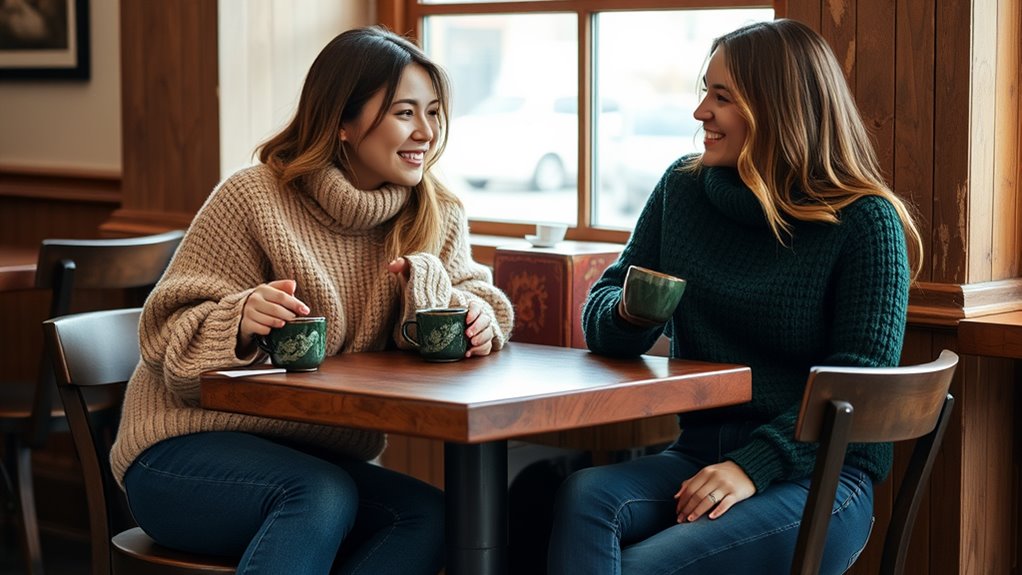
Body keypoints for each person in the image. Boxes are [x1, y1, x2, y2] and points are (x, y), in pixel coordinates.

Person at [110, 26, 514, 575]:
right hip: (182, 452)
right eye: (404, 112)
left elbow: (476, 294)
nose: (426, 131)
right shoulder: (253, 197)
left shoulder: (434, 211)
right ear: (343, 123)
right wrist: (239, 321)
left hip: (319, 459)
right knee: (319, 497)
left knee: (429, 517)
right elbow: (167, 334)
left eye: (435, 112)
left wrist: (478, 320)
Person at [547, 18, 923, 575]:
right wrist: (630, 311)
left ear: (779, 109)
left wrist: (753, 466)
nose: (701, 112)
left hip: (819, 475)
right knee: (583, 497)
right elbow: (604, 310)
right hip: (699, 452)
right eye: (705, 91)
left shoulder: (866, 222)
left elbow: (856, 385)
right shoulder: (683, 189)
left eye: (721, 97)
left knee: (643, 566)